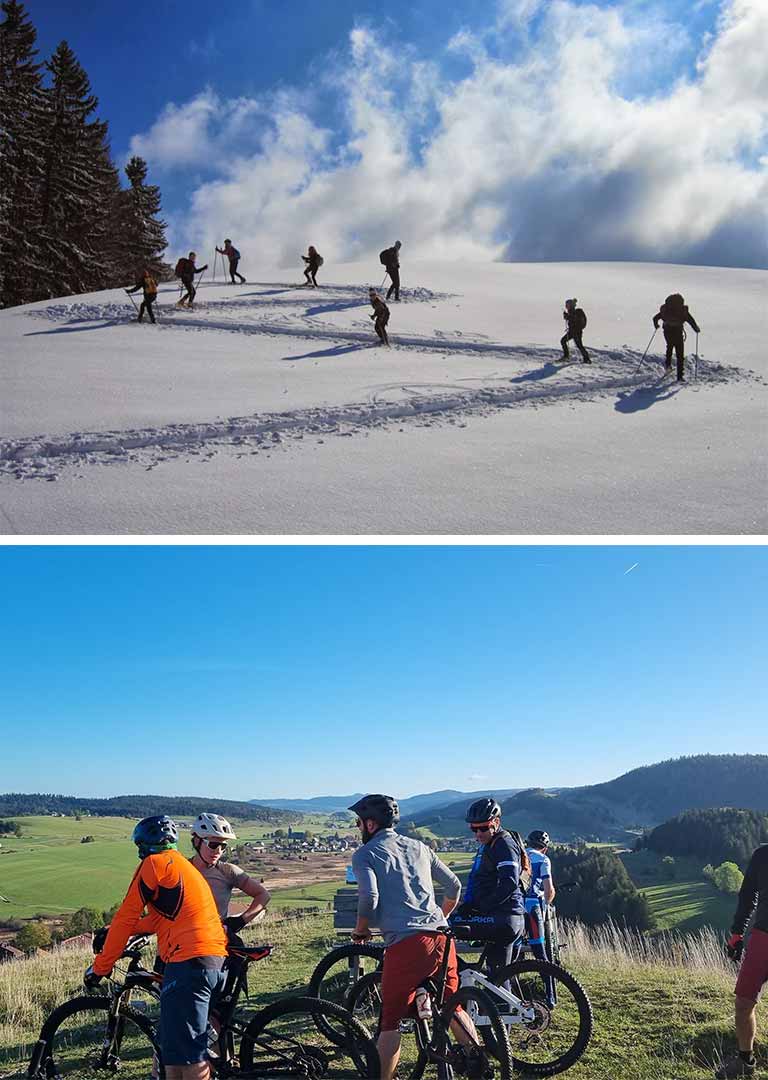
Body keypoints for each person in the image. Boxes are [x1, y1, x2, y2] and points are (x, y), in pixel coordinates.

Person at [85, 815, 227, 1080]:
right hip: (207, 961)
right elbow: (160, 918)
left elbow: (126, 917)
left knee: (191, 1058)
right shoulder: (181, 866)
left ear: (145, 844)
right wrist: (118, 930)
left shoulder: (153, 864)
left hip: (189, 963)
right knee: (173, 1056)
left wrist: (100, 967)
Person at [348, 794, 464, 1080]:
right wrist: (440, 917)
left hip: (407, 944)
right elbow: (454, 886)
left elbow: (369, 897)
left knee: (390, 1022)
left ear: (370, 824)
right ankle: (477, 1062)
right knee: (453, 1007)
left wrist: (361, 929)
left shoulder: (365, 854)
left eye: (359, 822)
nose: (358, 827)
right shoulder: (420, 847)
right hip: (441, 937)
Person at [452, 797, 527, 986]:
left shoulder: (504, 844)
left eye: (483, 828)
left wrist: (481, 907)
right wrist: (470, 905)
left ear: (496, 822)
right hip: (502, 917)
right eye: (474, 829)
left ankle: (465, 981)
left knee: (443, 930)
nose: (478, 833)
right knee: (498, 977)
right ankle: (479, 991)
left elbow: (509, 882)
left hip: (503, 917)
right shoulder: (491, 844)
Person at [715, 843, 768, 1078]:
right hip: (762, 937)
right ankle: (745, 1061)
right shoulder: (763, 855)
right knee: (743, 1003)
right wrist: (737, 933)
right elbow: (748, 895)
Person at [189, 813, 270, 932]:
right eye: (213, 845)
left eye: (223, 846)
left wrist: (240, 921)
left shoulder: (227, 871)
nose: (218, 851)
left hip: (215, 938)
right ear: (197, 841)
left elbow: (263, 895)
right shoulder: (180, 870)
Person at [652, 293, 700, 382]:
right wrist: (696, 329)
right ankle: (679, 376)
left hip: (667, 332)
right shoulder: (682, 310)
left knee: (669, 347)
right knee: (680, 354)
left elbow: (655, 318)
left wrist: (656, 326)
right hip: (678, 333)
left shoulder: (666, 309)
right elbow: (691, 321)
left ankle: (668, 367)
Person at [524, 830, 556, 963]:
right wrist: (546, 903)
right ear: (545, 849)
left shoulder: (518, 855)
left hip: (514, 905)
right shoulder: (543, 859)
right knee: (540, 954)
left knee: (512, 952)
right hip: (532, 906)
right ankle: (548, 977)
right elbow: (548, 890)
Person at [559, 298, 591, 363]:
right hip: (572, 332)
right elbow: (572, 319)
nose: (566, 306)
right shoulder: (572, 312)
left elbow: (574, 319)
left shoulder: (577, 312)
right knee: (563, 341)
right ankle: (566, 356)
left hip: (576, 332)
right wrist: (567, 317)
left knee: (579, 345)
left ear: (570, 305)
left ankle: (587, 359)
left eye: (567, 305)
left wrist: (567, 317)